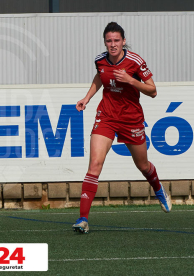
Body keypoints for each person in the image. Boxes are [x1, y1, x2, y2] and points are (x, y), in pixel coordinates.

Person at [72, 22, 171, 234]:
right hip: (106, 116)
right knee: (94, 165)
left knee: (143, 166)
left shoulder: (135, 61)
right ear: (105, 42)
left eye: (117, 40)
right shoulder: (100, 60)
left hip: (131, 119)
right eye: (109, 41)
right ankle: (83, 219)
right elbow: (100, 77)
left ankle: (158, 189)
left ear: (123, 41)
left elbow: (153, 91)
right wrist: (87, 98)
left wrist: (130, 80)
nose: (113, 44)